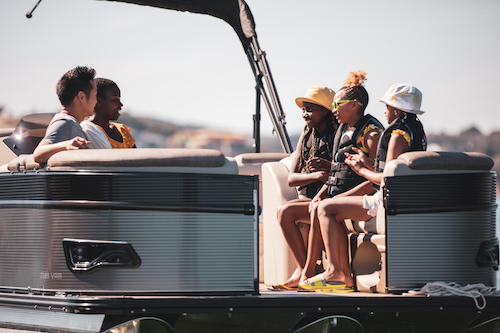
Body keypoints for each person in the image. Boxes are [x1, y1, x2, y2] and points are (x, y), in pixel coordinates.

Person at [299, 83, 427, 292]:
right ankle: (336, 272)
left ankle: (338, 274)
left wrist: (361, 170)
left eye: (387, 107)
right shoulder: (412, 130)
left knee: (326, 208)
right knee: (329, 206)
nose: (385, 112)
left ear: (396, 110)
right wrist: (365, 163)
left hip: (385, 201)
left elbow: (388, 180)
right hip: (398, 199)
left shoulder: (397, 137)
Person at [298, 70, 384, 285]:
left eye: (338, 105)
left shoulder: (371, 135)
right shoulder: (344, 130)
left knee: (326, 208)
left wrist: (335, 199)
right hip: (342, 194)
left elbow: (375, 181)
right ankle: (323, 272)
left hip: (368, 198)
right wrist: (321, 194)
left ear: (355, 105)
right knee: (319, 205)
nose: (333, 110)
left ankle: (336, 273)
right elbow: (336, 173)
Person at [270, 86, 337, 290]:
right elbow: (291, 179)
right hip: (310, 200)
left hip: (329, 199)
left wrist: (326, 174)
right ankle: (303, 269)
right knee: (285, 212)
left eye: (310, 109)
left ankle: (305, 272)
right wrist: (315, 175)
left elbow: (341, 172)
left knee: (286, 212)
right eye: (303, 109)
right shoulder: (306, 134)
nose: (304, 114)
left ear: (325, 111)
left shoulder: (337, 135)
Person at [33, 66, 96, 164]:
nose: (97, 100)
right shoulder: (66, 123)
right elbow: (38, 154)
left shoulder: (70, 122)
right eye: (95, 95)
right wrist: (67, 145)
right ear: (82, 97)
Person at [81, 78, 135, 149]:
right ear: (97, 101)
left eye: (119, 99)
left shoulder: (122, 130)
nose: (120, 104)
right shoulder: (87, 131)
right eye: (114, 100)